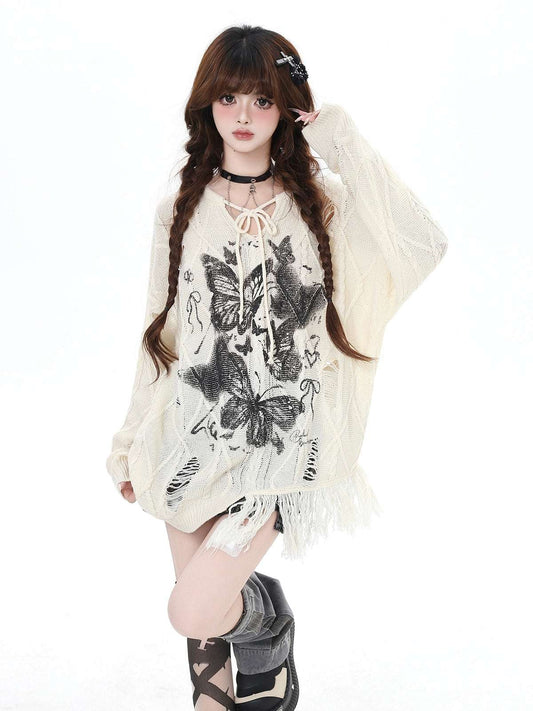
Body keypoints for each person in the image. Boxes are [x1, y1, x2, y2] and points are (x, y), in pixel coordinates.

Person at [105, 24, 448, 711]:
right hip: (190, 437)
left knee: (194, 609)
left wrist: (339, 135)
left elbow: (420, 240)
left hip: (280, 446)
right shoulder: (180, 209)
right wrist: (128, 440)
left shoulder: (323, 203)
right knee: (206, 661)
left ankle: (268, 631)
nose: (242, 115)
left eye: (261, 100)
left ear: (287, 107)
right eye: (228, 97)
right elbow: (161, 335)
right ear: (206, 103)